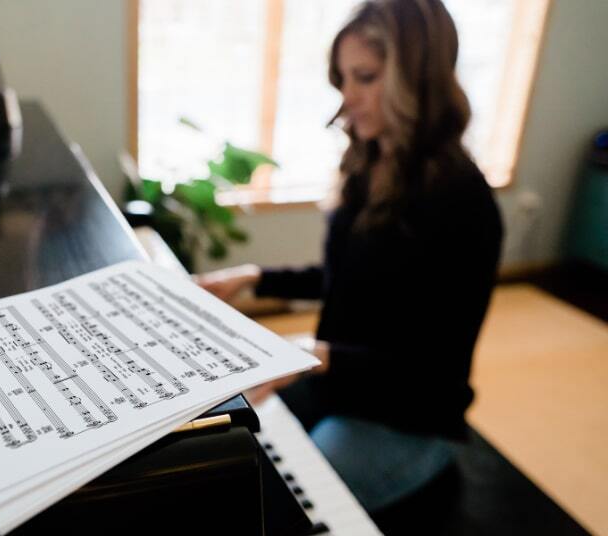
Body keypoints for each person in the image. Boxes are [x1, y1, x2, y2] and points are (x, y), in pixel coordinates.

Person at [196, 0, 502, 513]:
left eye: (365, 77)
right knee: (220, 450)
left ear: (418, 78)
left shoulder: (462, 204)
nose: (347, 98)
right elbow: (350, 279)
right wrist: (252, 277)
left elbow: (435, 374)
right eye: (342, 79)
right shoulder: (370, 162)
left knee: (278, 506)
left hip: (411, 417)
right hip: (342, 387)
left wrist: (312, 355)